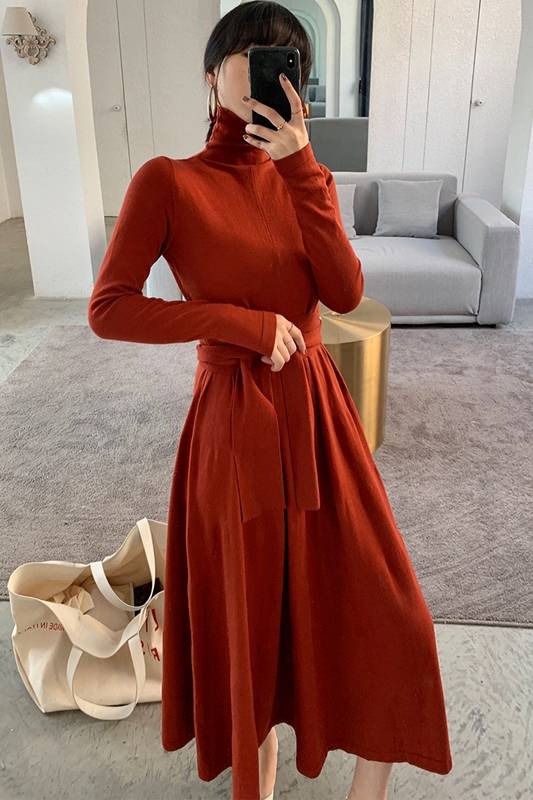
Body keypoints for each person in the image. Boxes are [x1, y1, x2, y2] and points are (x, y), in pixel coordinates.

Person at [87, 3, 453, 799]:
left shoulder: (304, 177)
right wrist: (237, 323)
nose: (267, 76)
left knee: (394, 613)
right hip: (232, 420)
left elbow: (344, 292)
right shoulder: (168, 181)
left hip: (319, 415)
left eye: (286, 65)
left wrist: (302, 168)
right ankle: (257, 779)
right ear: (211, 73)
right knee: (251, 624)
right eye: (251, 57)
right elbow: (109, 309)